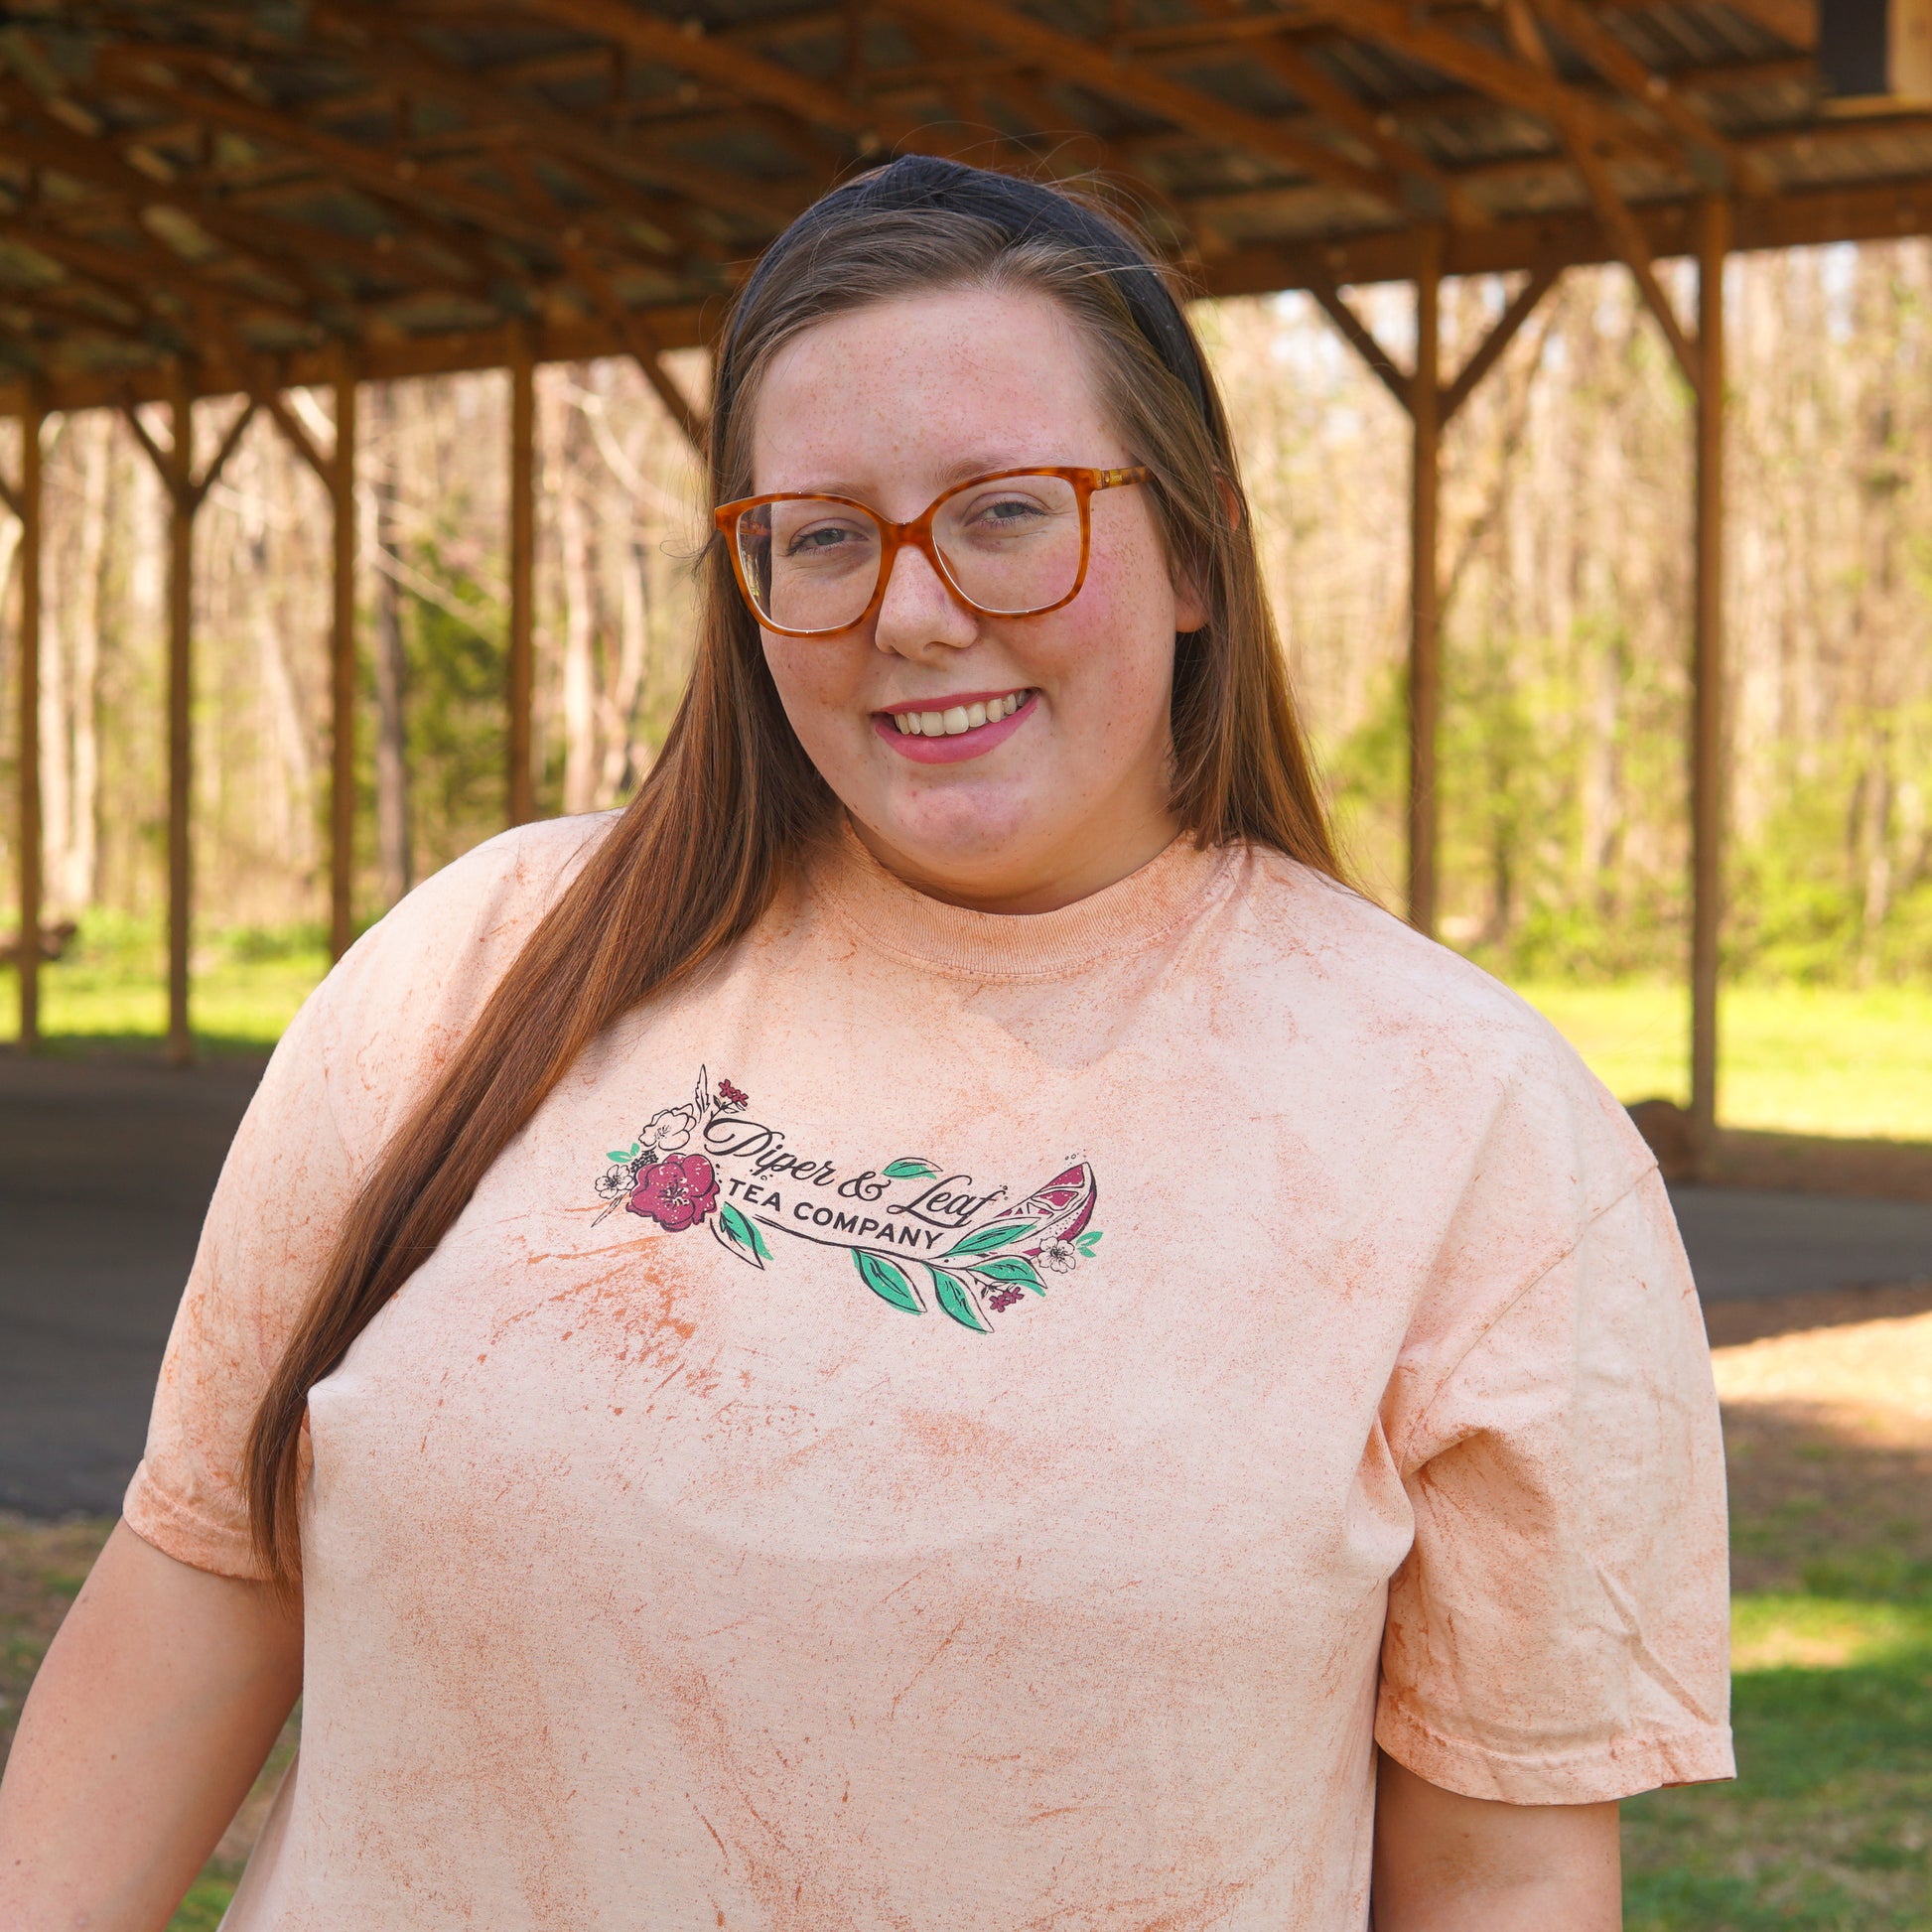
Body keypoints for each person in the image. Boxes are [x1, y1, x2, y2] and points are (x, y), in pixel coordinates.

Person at [0, 157, 1731, 1931]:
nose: (909, 609)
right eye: (820, 534)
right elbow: (204, 1579)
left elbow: (1504, 1869)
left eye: (1003, 511)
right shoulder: (482, 962)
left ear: (1195, 550)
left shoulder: (1470, 1121)